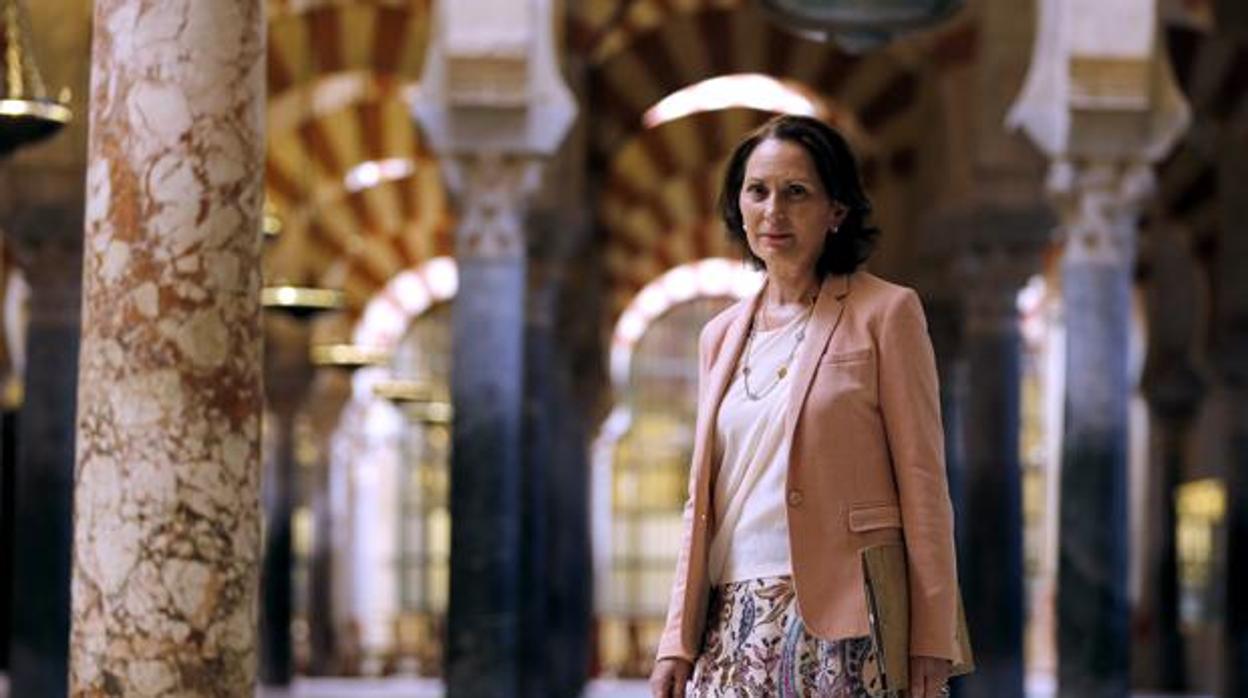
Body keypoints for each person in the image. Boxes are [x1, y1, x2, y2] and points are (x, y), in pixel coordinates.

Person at [648, 114, 968, 698]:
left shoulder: (887, 313)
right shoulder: (718, 336)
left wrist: (933, 636)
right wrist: (677, 639)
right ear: (739, 206)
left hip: (845, 618)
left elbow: (924, 484)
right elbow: (703, 500)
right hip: (731, 620)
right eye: (758, 191)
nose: (774, 211)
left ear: (836, 211)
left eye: (797, 192)